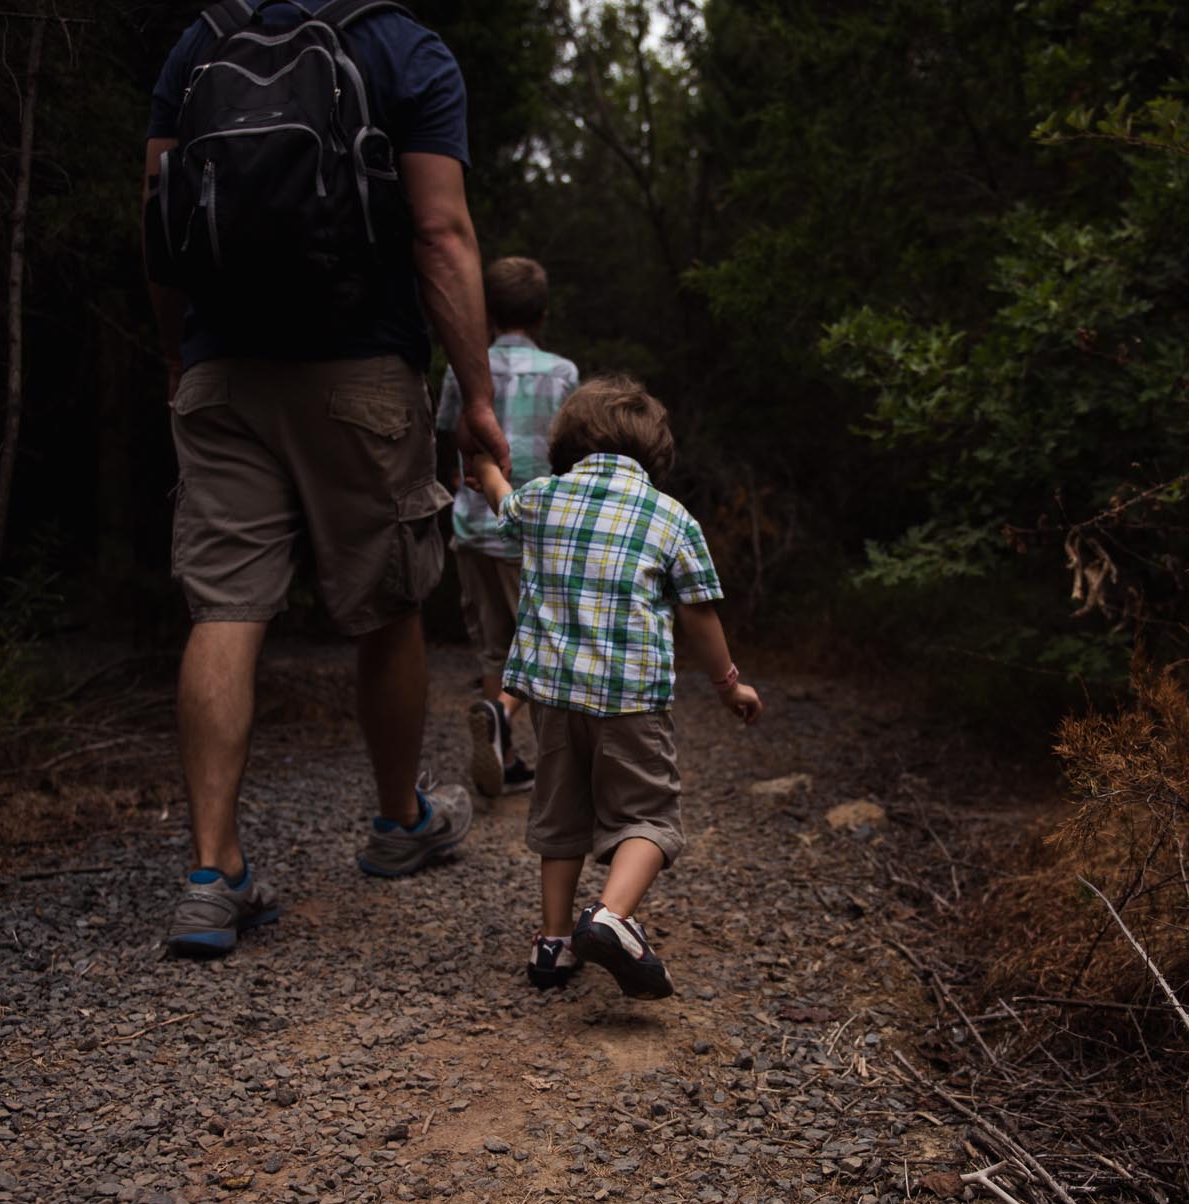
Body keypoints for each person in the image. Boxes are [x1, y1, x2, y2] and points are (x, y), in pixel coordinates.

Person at [144, 0, 511, 958]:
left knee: (224, 607)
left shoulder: (201, 43)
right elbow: (441, 234)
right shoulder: (404, 47)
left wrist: (179, 357)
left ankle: (211, 870)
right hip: (362, 369)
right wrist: (476, 395)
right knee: (388, 599)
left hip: (224, 367)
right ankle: (398, 822)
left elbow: (159, 221)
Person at [465, 376, 763, 998]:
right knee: (648, 815)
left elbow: (500, 497)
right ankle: (609, 917)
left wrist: (481, 461)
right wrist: (728, 684)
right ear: (654, 451)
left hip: (552, 700)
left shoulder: (544, 498)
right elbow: (699, 612)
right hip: (631, 703)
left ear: (570, 441)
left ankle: (552, 945)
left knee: (562, 815)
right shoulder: (670, 517)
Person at [435, 256, 580, 800]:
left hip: (474, 524)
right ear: (541, 315)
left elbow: (453, 432)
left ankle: (506, 749)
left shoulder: (460, 368)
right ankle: (550, 758)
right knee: (546, 640)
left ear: (488, 314)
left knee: (496, 648)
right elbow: (569, 451)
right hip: (536, 532)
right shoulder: (562, 373)